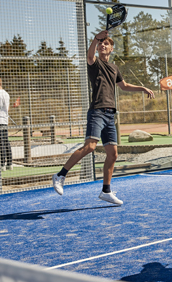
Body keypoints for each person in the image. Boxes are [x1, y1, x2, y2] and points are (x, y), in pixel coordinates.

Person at [52, 30, 155, 205]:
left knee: (113, 154)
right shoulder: (95, 63)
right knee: (90, 147)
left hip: (110, 114)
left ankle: (106, 191)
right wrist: (95, 39)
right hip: (97, 111)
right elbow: (90, 55)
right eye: (101, 43)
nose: (103, 45)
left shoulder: (114, 68)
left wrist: (142, 88)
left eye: (106, 43)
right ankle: (60, 175)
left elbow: (124, 86)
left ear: (112, 49)